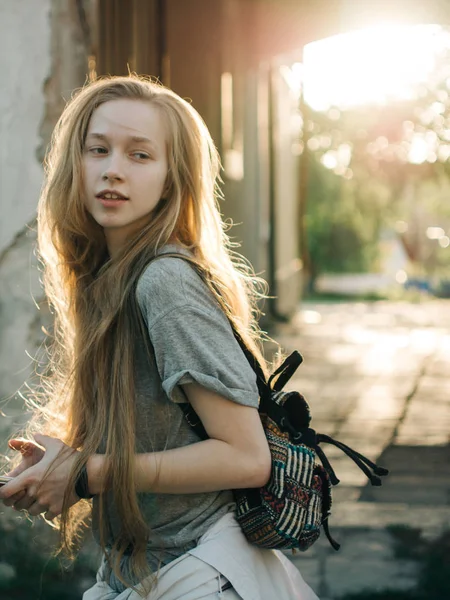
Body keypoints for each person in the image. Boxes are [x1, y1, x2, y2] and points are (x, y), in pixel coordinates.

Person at [0, 75, 319, 600]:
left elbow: (246, 457)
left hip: (203, 573)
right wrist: (64, 462)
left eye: (140, 155)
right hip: (145, 572)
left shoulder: (163, 280)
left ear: (172, 178)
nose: (112, 170)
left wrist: (92, 473)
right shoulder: (108, 278)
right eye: (97, 149)